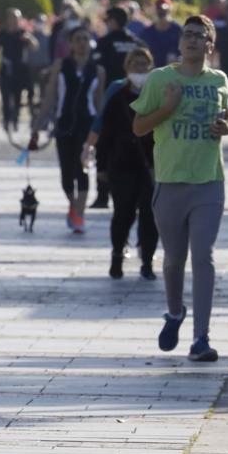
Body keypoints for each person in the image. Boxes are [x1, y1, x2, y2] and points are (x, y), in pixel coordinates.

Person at [132, 15, 228, 362]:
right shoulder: (162, 79)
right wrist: (167, 108)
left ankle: (201, 338)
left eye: (199, 36)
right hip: (170, 183)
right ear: (179, 43)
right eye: (186, 34)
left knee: (203, 257)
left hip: (209, 182)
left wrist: (224, 127)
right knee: (174, 261)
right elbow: (139, 127)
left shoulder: (219, 79)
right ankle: (175, 313)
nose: (191, 40)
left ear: (210, 46)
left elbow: (225, 116)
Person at [84, 47, 158, 280]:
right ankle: (117, 255)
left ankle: (147, 262)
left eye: (144, 64)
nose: (140, 68)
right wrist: (102, 166)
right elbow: (105, 130)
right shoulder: (117, 93)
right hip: (121, 164)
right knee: (123, 213)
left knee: (149, 215)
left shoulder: (158, 94)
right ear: (127, 67)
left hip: (151, 165)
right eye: (135, 64)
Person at [30, 24, 104, 234]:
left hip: (86, 126)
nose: (82, 43)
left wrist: (102, 132)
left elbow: (99, 105)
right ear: (71, 44)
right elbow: (50, 97)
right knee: (66, 172)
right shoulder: (60, 65)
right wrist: (37, 127)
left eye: (85, 38)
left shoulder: (98, 70)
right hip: (64, 125)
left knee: (83, 170)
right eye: (78, 39)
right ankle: (73, 205)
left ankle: (79, 214)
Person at [89, 6, 147, 210]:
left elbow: (96, 72)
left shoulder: (103, 43)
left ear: (112, 21)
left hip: (113, 98)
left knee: (105, 146)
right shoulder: (137, 43)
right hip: (139, 100)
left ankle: (102, 195)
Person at [0, 8, 39, 132]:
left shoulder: (23, 33)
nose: (14, 20)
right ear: (8, 19)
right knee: (5, 94)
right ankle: (6, 119)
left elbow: (35, 46)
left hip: (19, 69)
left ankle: (15, 119)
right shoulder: (3, 33)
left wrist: (30, 39)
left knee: (17, 95)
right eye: (12, 18)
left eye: (17, 18)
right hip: (6, 67)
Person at [141, 0, 183, 68]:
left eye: (164, 10)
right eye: (159, 9)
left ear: (169, 10)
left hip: (174, 72)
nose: (161, 12)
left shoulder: (178, 31)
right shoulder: (147, 32)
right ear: (155, 10)